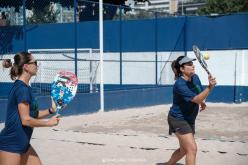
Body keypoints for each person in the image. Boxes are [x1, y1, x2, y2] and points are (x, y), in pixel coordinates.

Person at [0, 52, 60, 165]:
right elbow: (26, 120)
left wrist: (51, 110)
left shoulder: (26, 88)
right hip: (11, 145)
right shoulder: (22, 89)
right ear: (26, 67)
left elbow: (33, 114)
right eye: (35, 63)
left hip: (23, 144)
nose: (37, 65)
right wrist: (49, 123)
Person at [167, 56, 217, 165]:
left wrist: (202, 102)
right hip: (177, 119)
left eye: (192, 63)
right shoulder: (179, 84)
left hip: (189, 119)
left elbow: (199, 95)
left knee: (184, 150)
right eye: (189, 64)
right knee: (192, 149)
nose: (192, 65)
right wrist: (210, 87)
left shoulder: (195, 78)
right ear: (182, 69)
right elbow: (196, 98)